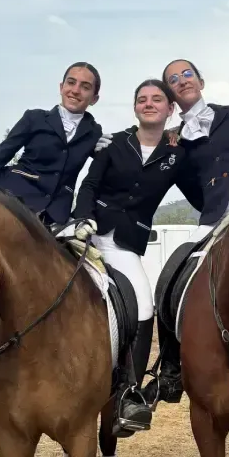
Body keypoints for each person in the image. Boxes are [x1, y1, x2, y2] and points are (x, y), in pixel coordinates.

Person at [73, 79, 202, 429]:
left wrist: (225, 206)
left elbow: (197, 193)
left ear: (169, 108)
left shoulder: (176, 153)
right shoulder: (113, 143)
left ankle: (129, 393)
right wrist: (82, 216)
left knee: (144, 306)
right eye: (142, 99)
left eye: (157, 99)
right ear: (134, 107)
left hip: (124, 243)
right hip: (87, 229)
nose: (149, 104)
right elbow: (89, 184)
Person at [147, 59, 229, 404]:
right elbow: (187, 184)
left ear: (200, 81)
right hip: (213, 216)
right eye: (173, 79)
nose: (182, 80)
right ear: (170, 96)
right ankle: (171, 370)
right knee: (173, 269)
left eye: (186, 74)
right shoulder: (174, 141)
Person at [0, 62, 104, 228]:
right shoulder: (34, 118)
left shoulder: (94, 133)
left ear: (94, 98)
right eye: (71, 82)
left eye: (85, 87)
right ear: (61, 87)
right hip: (14, 196)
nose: (76, 90)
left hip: (55, 214)